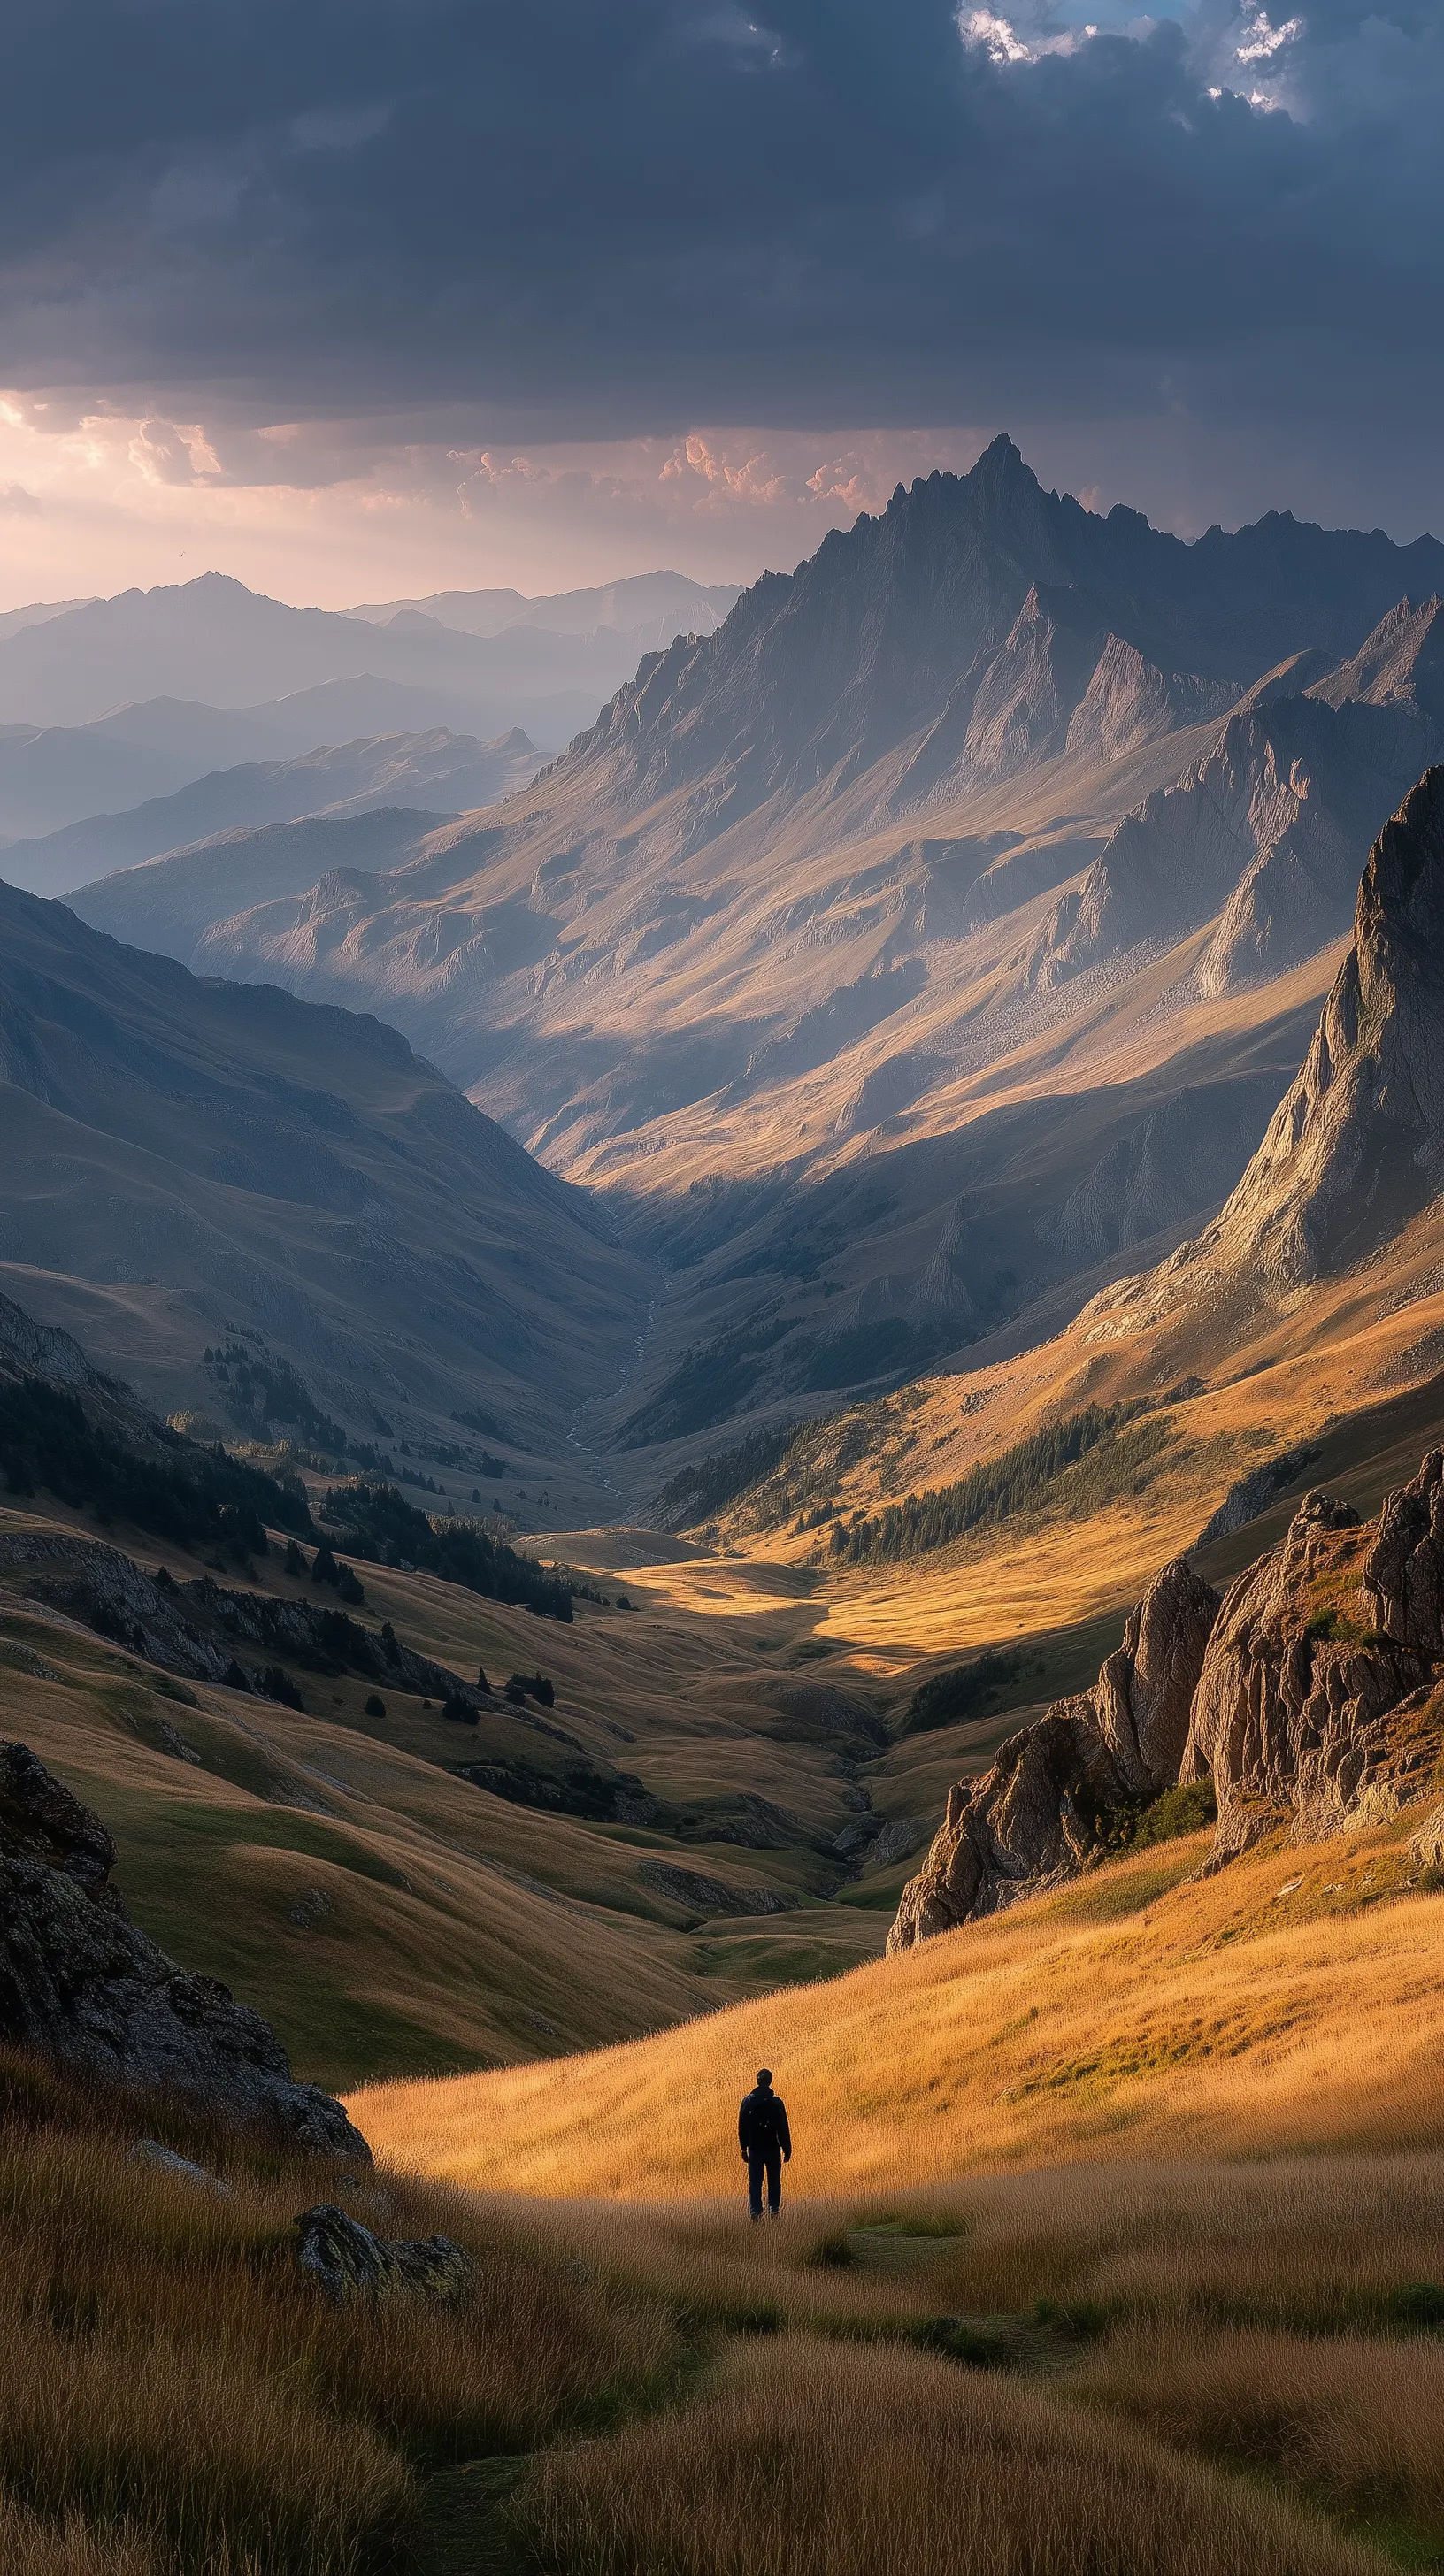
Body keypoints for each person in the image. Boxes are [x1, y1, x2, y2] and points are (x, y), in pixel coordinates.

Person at [738, 2066, 791, 2220]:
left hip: (754, 2148)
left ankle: (756, 2212)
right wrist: (787, 2149)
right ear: (770, 2081)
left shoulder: (747, 2101)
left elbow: (742, 2126)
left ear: (757, 2081)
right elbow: (783, 2127)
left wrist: (743, 2148)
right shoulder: (776, 2102)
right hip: (773, 2148)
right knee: (774, 2181)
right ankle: (774, 2210)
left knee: (755, 2183)